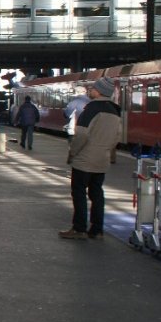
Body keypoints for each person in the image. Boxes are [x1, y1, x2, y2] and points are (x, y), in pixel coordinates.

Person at [59, 77, 121, 239]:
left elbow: (82, 134)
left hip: (85, 159)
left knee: (79, 192)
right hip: (102, 159)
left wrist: (73, 152)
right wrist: (105, 149)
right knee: (97, 193)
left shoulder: (92, 108)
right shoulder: (115, 110)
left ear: (99, 92)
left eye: (93, 88)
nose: (90, 90)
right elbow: (117, 136)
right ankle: (97, 229)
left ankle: (79, 228)